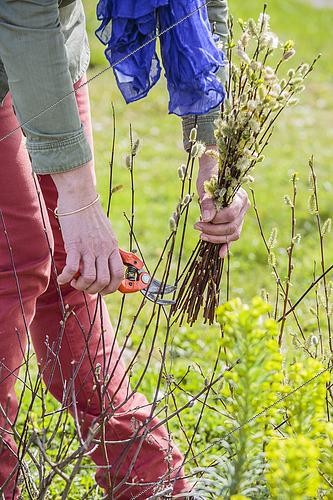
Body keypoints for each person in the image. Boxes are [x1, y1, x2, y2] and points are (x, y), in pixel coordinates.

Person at [0, 0, 249, 498]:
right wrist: (78, 199)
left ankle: (149, 481)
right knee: (19, 262)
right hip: (23, 31)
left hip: (51, 56)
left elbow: (204, 7)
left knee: (74, 273)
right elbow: (23, 11)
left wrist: (214, 153)